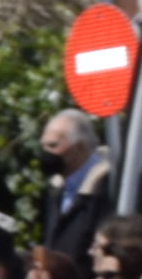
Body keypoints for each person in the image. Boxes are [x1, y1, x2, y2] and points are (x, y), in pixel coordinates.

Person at [45, 109, 112, 267]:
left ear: (79, 147)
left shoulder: (107, 184)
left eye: (53, 145)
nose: (47, 153)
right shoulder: (57, 188)